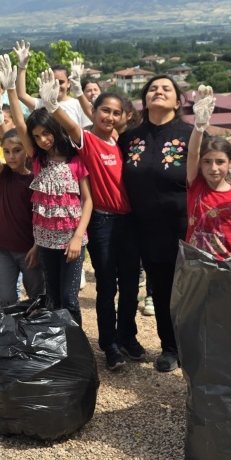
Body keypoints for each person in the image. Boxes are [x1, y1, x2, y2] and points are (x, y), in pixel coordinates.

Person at [48, 82, 142, 370]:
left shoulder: (122, 143)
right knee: (106, 286)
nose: (110, 117)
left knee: (130, 285)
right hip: (102, 222)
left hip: (129, 222)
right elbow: (67, 123)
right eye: (104, 110)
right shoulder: (87, 140)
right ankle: (110, 345)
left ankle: (128, 336)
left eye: (116, 112)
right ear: (94, 111)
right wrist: (51, 104)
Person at [119, 75, 194, 373]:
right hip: (146, 228)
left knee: (190, 292)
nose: (158, 92)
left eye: (166, 89)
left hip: (185, 228)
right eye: (152, 88)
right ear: (144, 99)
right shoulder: (131, 138)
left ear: (178, 101)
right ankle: (170, 348)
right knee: (161, 290)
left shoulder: (191, 135)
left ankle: (198, 346)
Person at [8, 64, 92, 326]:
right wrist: (11, 88)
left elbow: (87, 200)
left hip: (71, 241)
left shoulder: (76, 160)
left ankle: (75, 346)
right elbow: (19, 122)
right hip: (45, 240)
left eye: (46, 133)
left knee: (69, 298)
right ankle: (56, 348)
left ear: (55, 130)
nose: (43, 140)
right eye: (37, 136)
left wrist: (77, 237)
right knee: (53, 296)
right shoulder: (38, 160)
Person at [185, 85, 231, 259]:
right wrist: (199, 126)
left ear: (230, 163)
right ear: (200, 164)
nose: (213, 168)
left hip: (229, 263)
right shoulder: (196, 185)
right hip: (196, 263)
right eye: (207, 162)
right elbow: (192, 153)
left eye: (220, 162)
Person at [0, 124, 44, 307]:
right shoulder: (3, 174)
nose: (11, 156)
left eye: (17, 150)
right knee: (7, 300)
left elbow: (40, 215)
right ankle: (12, 333)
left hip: (29, 250)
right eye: (7, 151)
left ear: (26, 151)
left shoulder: (35, 178)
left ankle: (34, 332)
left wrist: (37, 246)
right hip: (3, 249)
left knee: (37, 297)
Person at [13, 40, 92, 128]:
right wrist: (22, 67)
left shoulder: (78, 105)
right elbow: (21, 95)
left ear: (69, 83)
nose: (57, 86)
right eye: (53, 82)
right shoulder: (43, 103)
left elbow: (86, 132)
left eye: (61, 82)